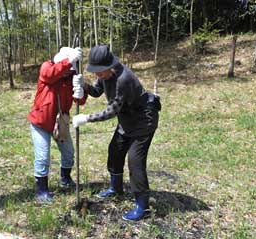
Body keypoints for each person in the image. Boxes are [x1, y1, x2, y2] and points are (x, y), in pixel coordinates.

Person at [72, 45, 161, 221]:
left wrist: (87, 118)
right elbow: (97, 92)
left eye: (100, 72)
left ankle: (142, 207)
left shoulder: (123, 79)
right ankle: (116, 188)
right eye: (95, 72)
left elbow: (112, 111)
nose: (98, 75)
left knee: (135, 161)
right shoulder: (105, 74)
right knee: (115, 151)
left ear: (110, 66)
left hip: (144, 120)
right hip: (127, 119)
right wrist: (84, 85)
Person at [27, 47, 87, 203]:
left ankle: (65, 179)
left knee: (69, 153)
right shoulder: (47, 67)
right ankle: (42, 191)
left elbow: (79, 101)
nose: (68, 71)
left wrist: (80, 91)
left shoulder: (71, 76)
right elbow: (49, 75)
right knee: (42, 157)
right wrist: (68, 62)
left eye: (70, 69)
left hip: (60, 123)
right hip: (41, 123)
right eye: (68, 67)